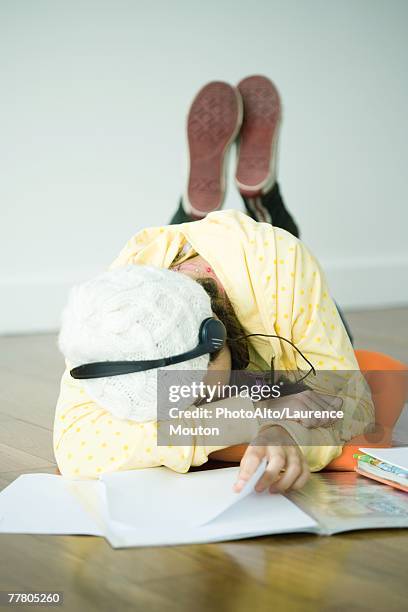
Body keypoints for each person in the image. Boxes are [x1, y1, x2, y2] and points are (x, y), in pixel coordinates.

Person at [54, 76, 374, 494]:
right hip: (177, 268)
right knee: (174, 249)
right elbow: (74, 447)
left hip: (267, 289)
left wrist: (286, 431)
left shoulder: (282, 266)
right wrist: (256, 416)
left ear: (215, 337)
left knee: (331, 320)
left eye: (195, 400)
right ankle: (207, 209)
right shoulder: (108, 315)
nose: (193, 412)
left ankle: (245, 203)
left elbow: (352, 406)